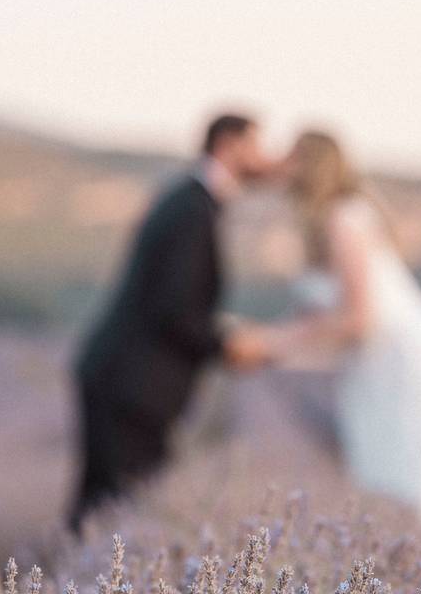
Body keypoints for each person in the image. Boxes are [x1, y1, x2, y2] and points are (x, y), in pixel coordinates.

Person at [262, 131, 421, 548]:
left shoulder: (342, 217)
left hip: (406, 361)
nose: (281, 170)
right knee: (395, 487)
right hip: (383, 362)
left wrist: (273, 344)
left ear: (312, 165)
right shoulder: (334, 218)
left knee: (412, 484)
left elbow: (358, 319)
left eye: (291, 160)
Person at [67, 114, 273, 533]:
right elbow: (174, 309)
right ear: (229, 145)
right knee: (112, 516)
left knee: (104, 516)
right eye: (257, 146)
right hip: (131, 388)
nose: (265, 159)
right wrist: (228, 344)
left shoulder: (192, 200)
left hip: (127, 381)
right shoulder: (193, 208)